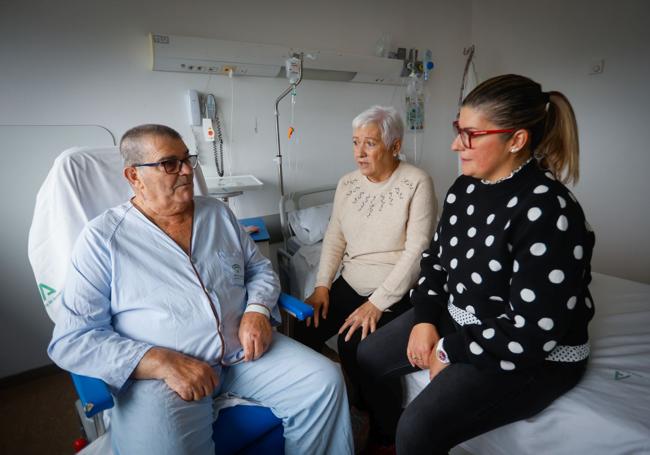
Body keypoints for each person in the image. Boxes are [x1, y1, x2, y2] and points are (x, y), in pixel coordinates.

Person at [48, 124, 353, 455]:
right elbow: (72, 340)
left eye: (187, 159)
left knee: (324, 382)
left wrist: (258, 310)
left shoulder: (217, 213)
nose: (188, 170)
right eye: (170, 163)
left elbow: (259, 269)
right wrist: (159, 361)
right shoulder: (102, 239)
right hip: (164, 377)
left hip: (242, 353)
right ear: (134, 177)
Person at [357, 74, 596, 454]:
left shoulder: (548, 210)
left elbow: (533, 332)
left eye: (471, 134)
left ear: (516, 140)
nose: (456, 144)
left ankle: (399, 438)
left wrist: (450, 349)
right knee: (368, 355)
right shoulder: (464, 188)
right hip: (467, 317)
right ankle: (384, 438)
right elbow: (435, 261)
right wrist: (424, 318)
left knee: (417, 428)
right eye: (458, 129)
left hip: (533, 351)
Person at [293, 106, 437, 446]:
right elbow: (334, 238)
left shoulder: (417, 182)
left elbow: (417, 252)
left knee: (355, 345)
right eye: (356, 142)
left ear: (394, 145)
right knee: (305, 327)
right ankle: (321, 408)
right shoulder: (347, 184)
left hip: (396, 289)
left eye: (370, 143)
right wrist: (322, 286)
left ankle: (385, 429)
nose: (359, 152)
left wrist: (377, 304)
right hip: (352, 280)